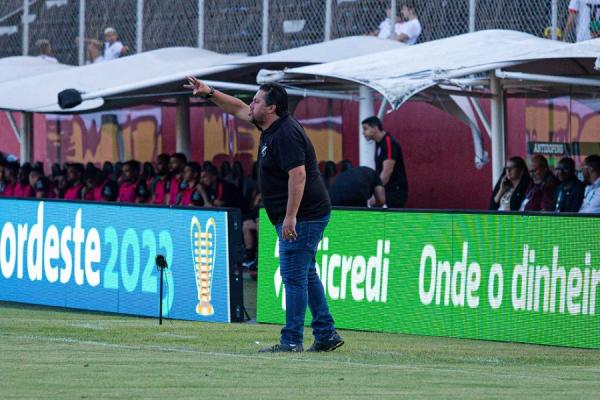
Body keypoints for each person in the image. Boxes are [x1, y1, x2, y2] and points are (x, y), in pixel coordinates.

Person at [185, 77, 343, 353]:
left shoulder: (286, 133)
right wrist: (209, 92)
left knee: (293, 276)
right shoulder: (268, 125)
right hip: (299, 213)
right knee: (305, 274)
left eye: (257, 100)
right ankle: (326, 333)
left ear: (272, 108)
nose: (251, 104)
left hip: (304, 214)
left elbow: (299, 175)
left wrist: (291, 217)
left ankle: (291, 340)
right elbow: (236, 108)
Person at [361, 116, 408, 208]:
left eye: (365, 129)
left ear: (375, 127)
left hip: (395, 191)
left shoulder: (389, 142)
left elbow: (387, 171)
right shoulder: (379, 144)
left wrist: (376, 193)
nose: (363, 133)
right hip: (386, 190)